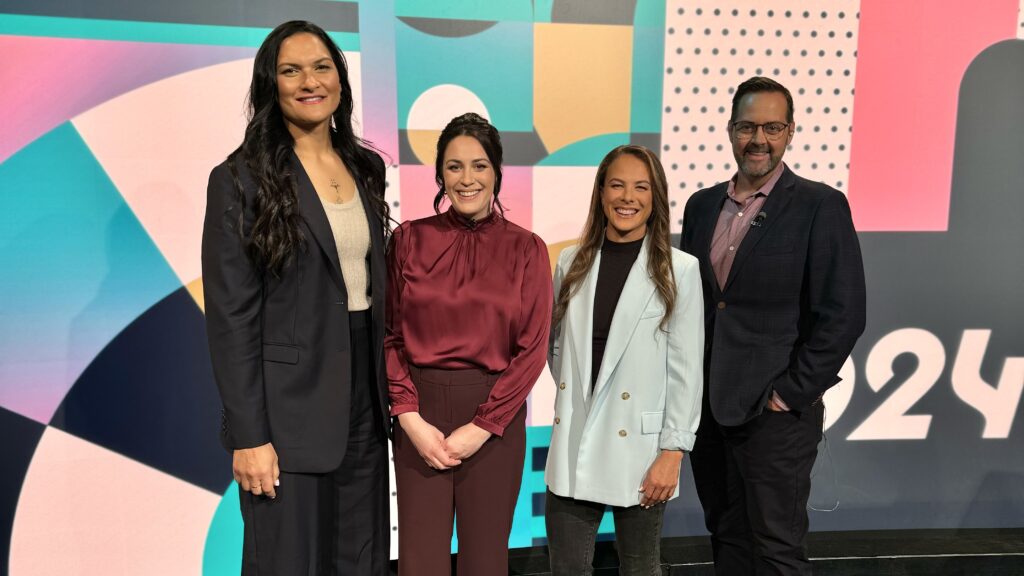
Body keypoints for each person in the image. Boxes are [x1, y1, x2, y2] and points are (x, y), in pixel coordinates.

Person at [202, 20, 392, 575]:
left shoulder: (366, 167)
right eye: (291, 70)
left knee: (360, 559)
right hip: (285, 414)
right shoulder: (240, 179)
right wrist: (249, 436)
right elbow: (231, 318)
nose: (309, 81)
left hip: (364, 402)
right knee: (287, 562)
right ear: (271, 84)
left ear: (340, 78)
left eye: (321, 66)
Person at [679, 77, 866, 575]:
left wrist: (790, 394)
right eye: (746, 126)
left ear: (790, 132)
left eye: (771, 126)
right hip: (708, 413)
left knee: (778, 550)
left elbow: (844, 312)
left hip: (774, 416)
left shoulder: (819, 205)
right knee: (727, 539)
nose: (758, 138)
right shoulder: (700, 206)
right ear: (729, 130)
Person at [385, 112, 552, 576]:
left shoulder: (527, 249)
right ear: (439, 174)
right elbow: (389, 335)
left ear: (497, 171)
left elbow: (533, 348)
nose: (467, 178)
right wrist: (410, 417)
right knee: (419, 562)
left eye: (479, 165)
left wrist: (483, 425)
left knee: (485, 560)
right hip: (419, 413)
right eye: (454, 166)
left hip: (494, 418)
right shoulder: (407, 240)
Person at [544, 145, 705, 576]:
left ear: (656, 198)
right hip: (575, 440)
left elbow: (686, 370)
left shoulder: (680, 269)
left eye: (640, 187)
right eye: (616, 184)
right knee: (567, 569)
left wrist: (673, 450)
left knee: (640, 568)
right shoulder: (570, 261)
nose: (627, 197)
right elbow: (556, 350)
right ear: (600, 193)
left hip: (642, 450)